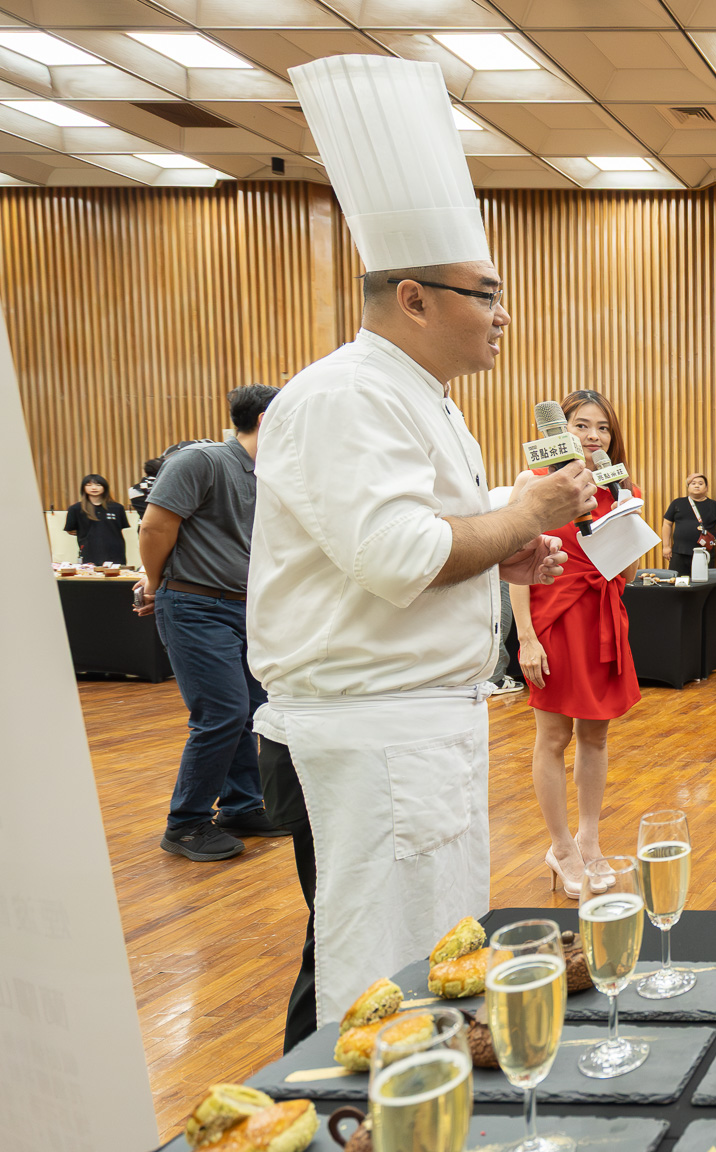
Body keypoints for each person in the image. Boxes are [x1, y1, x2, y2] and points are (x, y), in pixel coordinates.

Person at [250, 53, 594, 1049]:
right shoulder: (344, 395)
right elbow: (399, 554)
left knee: (428, 963)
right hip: (364, 737)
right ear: (412, 297)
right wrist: (522, 517)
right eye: (484, 294)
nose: (502, 316)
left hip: (420, 727)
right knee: (367, 982)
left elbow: (445, 528)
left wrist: (504, 537)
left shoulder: (422, 399)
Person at [137, 385, 286, 862]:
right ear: (266, 420)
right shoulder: (202, 461)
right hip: (195, 606)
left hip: (244, 610)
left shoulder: (269, 475)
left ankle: (242, 805)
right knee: (221, 713)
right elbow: (155, 527)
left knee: (251, 709)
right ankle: (185, 824)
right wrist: (157, 585)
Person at [511, 390, 642, 898]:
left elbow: (626, 571)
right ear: (559, 431)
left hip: (603, 616)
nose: (593, 436)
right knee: (552, 737)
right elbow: (516, 568)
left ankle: (589, 841)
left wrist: (628, 511)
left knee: (596, 737)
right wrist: (526, 638)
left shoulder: (617, 485)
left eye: (603, 428)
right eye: (582, 425)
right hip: (553, 618)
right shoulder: (533, 483)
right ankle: (560, 846)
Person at [663, 472, 716, 570]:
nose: (697, 486)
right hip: (679, 553)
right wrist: (666, 546)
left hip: (704, 553)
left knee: (703, 583)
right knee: (678, 583)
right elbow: (667, 524)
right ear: (688, 487)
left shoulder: (715, 506)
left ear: (706, 488)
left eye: (700, 484)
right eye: (693, 483)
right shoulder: (677, 503)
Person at [65, 473, 130, 564]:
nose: (94, 488)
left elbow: (120, 528)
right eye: (89, 485)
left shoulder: (117, 508)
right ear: (83, 488)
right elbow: (70, 530)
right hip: (89, 552)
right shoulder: (75, 509)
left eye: (98, 485)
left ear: (105, 487)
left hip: (115, 552)